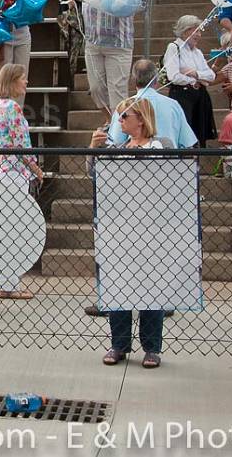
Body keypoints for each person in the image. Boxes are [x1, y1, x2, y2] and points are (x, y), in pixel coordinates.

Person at [89, 98, 170, 368]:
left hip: (150, 229)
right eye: (119, 117)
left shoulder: (158, 147)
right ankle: (119, 344)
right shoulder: (118, 148)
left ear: (141, 119)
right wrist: (94, 149)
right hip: (119, 228)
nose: (120, 121)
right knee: (118, 285)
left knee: (151, 288)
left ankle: (152, 347)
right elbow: (95, 175)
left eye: (125, 116)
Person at [0, 64, 43, 300]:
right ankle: (10, 284)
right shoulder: (13, 107)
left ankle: (1, 279)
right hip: (14, 171)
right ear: (12, 81)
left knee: (2, 226)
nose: (26, 83)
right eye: (23, 79)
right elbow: (20, 142)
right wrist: (34, 166)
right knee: (14, 228)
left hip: (1, 168)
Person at [72, 0, 133, 121]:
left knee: (118, 91)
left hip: (118, 45)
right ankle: (110, 120)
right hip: (93, 43)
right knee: (96, 88)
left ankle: (118, 127)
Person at [106, 59, 197, 149]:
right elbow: (187, 143)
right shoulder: (173, 105)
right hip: (170, 160)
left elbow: (115, 142)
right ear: (156, 80)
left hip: (135, 161)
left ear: (133, 80)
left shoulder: (125, 107)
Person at [163, 15, 216, 146]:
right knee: (185, 134)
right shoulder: (174, 47)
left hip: (200, 97)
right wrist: (194, 81)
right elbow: (174, 76)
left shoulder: (197, 52)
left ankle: (197, 164)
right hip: (182, 96)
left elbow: (211, 76)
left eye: (199, 31)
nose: (199, 35)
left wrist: (194, 73)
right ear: (185, 31)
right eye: (195, 31)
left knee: (199, 135)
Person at [0, 0, 33, 73]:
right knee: (6, 74)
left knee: (22, 73)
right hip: (4, 38)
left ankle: (21, 91)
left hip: (23, 37)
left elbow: (29, 14)